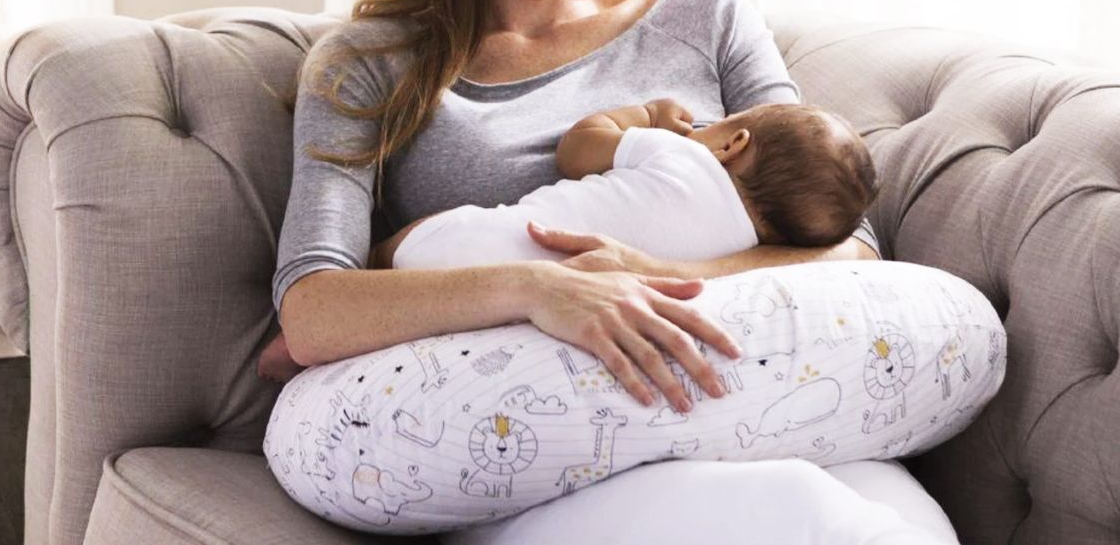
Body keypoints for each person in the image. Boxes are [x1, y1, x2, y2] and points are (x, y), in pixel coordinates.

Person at [269, 0, 961, 543]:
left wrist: (654, 275)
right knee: (804, 512)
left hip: (727, 396)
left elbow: (847, 250)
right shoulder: (371, 64)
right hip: (534, 446)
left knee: (907, 527)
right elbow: (313, 309)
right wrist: (539, 287)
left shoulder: (707, 17)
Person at [259, 98, 878, 384]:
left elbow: (579, 147)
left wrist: (642, 119)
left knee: (395, 251)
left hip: (471, 251)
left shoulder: (682, 155)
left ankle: (294, 354)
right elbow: (834, 247)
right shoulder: (751, 247)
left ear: (732, 143)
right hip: (542, 321)